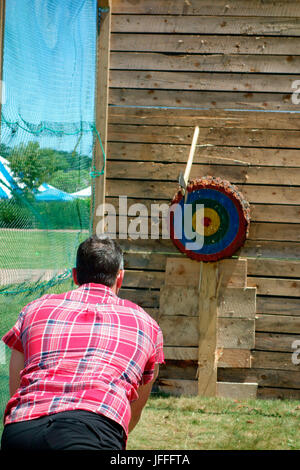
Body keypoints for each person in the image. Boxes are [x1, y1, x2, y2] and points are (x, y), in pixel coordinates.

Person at [1, 235, 164, 450]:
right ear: (120, 278)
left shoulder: (35, 309)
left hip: (21, 430)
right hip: (93, 430)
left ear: (75, 275)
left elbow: (17, 386)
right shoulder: (146, 324)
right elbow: (133, 413)